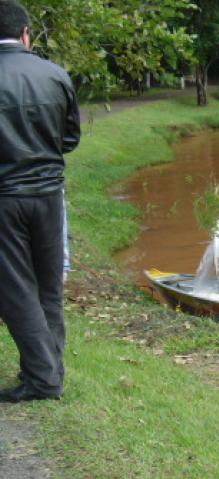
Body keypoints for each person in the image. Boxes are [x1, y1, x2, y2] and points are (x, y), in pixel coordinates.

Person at [0, 0, 80, 403]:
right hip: (49, 195)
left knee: (15, 288)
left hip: (5, 199)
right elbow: (70, 139)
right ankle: (50, 371)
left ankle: (44, 380)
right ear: (26, 33)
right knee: (48, 286)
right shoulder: (55, 74)